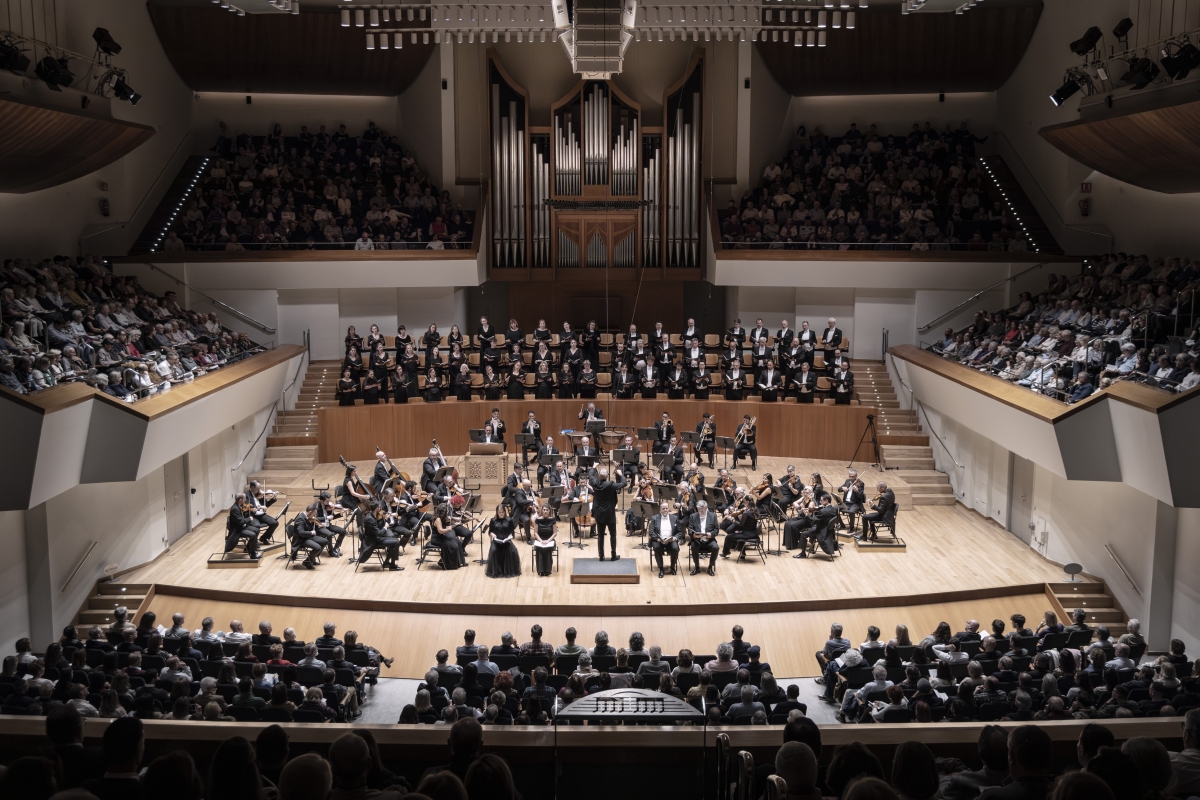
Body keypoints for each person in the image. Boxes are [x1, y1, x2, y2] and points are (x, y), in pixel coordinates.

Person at [589, 467, 626, 562]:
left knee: (600, 535)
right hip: (609, 513)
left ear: (599, 476)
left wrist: (594, 467)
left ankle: (601, 555)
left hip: (599, 513)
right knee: (612, 534)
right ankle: (613, 555)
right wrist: (620, 474)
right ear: (607, 476)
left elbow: (590, 475)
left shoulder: (595, 483)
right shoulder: (610, 484)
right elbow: (624, 484)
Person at [485, 503, 520, 578]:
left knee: (513, 551)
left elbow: (512, 532)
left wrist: (510, 536)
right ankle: (496, 571)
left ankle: (509, 570)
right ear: (497, 512)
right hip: (496, 541)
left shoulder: (509, 520)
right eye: (499, 512)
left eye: (502, 512)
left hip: (506, 541)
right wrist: (492, 534)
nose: (501, 514)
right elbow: (490, 531)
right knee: (494, 551)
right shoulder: (493, 520)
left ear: (505, 512)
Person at [688, 499, 720, 576]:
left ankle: (710, 567)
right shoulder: (693, 516)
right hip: (697, 540)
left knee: (716, 548)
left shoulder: (713, 516)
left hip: (709, 540)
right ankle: (697, 567)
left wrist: (711, 534)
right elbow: (689, 530)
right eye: (699, 509)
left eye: (703, 509)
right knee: (693, 546)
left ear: (706, 508)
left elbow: (716, 529)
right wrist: (694, 535)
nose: (701, 511)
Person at [649, 500, 680, 578]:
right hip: (659, 540)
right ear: (660, 509)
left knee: (675, 548)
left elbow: (680, 532)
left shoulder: (675, 518)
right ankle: (661, 568)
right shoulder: (654, 518)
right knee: (656, 547)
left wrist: (675, 538)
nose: (665, 510)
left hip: (670, 540)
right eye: (663, 509)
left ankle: (672, 567)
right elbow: (651, 532)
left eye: (666, 508)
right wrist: (658, 539)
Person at [532, 504, 557, 577]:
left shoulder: (552, 520)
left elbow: (555, 533)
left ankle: (547, 570)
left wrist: (548, 541)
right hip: (540, 540)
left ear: (549, 511)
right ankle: (540, 571)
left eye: (547, 510)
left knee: (547, 548)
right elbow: (535, 533)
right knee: (540, 548)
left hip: (550, 540)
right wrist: (541, 541)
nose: (545, 511)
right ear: (542, 510)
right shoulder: (538, 520)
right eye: (544, 510)